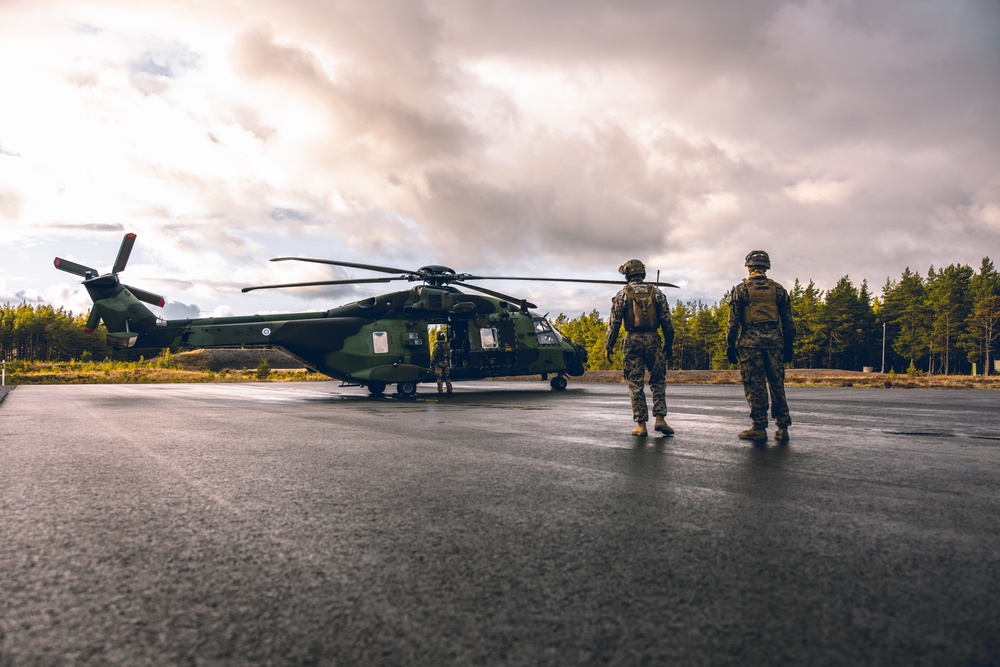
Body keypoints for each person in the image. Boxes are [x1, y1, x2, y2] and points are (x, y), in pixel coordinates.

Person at [726, 250, 796, 442]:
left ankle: (759, 427)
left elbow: (733, 322)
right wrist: (789, 346)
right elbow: (789, 322)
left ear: (749, 267)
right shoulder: (779, 290)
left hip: (750, 345)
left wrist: (730, 346)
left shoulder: (741, 289)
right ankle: (783, 427)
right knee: (777, 385)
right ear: (766, 267)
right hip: (775, 343)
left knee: (754, 385)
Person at [604, 259, 674, 436]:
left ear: (627, 274)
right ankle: (660, 418)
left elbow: (614, 324)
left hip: (632, 341)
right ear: (642, 273)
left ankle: (641, 424)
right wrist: (669, 343)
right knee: (658, 381)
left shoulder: (622, 294)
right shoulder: (656, 293)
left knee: (635, 383)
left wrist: (609, 346)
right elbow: (667, 322)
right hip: (653, 340)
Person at [431, 330, 453, 394]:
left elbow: (434, 356)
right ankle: (450, 390)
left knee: (439, 378)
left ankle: (440, 391)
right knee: (447, 377)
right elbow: (449, 355)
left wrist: (432, 363)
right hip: (446, 363)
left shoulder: (437, 346)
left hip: (439, 364)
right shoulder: (447, 345)